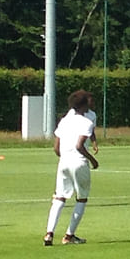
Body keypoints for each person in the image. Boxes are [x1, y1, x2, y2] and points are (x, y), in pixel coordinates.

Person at [44, 89, 100, 246]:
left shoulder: (64, 121)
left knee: (59, 197)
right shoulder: (87, 122)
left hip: (63, 162)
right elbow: (79, 145)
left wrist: (65, 157)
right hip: (79, 162)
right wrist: (92, 160)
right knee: (81, 198)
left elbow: (56, 148)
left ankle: (49, 234)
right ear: (83, 105)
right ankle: (69, 236)